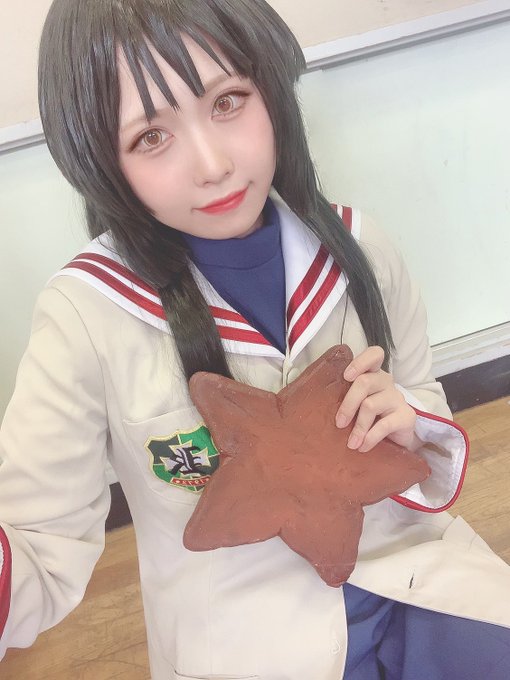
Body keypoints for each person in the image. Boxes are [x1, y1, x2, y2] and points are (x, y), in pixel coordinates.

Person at [0, 1, 509, 678]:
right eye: (151, 137)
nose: (212, 163)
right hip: (245, 645)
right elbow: (37, 544)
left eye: (228, 101)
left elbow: (423, 399)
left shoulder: (360, 246)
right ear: (101, 162)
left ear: (269, 88)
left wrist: (411, 425)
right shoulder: (85, 315)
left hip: (418, 585)